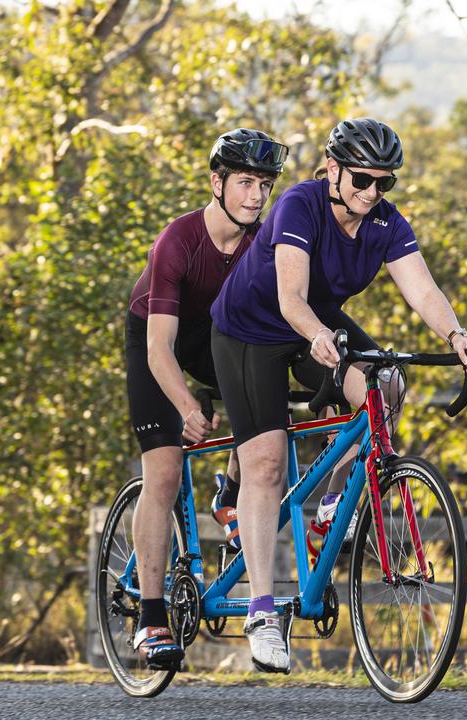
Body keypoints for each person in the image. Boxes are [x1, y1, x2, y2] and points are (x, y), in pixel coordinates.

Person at [209, 117, 467, 673]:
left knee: (386, 385)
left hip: (319, 323)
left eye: (385, 183)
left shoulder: (384, 221)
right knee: (265, 464)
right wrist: (315, 337)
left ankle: (329, 511)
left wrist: (456, 336)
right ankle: (263, 612)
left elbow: (422, 289)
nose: (372, 192)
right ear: (332, 169)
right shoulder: (298, 206)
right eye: (362, 179)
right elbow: (290, 297)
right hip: (252, 329)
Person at [124, 128, 288, 669]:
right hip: (161, 341)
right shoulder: (179, 240)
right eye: (245, 183)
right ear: (216, 183)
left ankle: (231, 495)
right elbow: (159, 349)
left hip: (220, 339)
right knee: (166, 473)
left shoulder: (260, 243)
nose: (256, 197)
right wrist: (189, 408)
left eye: (264, 186)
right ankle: (150, 618)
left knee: (265, 411)